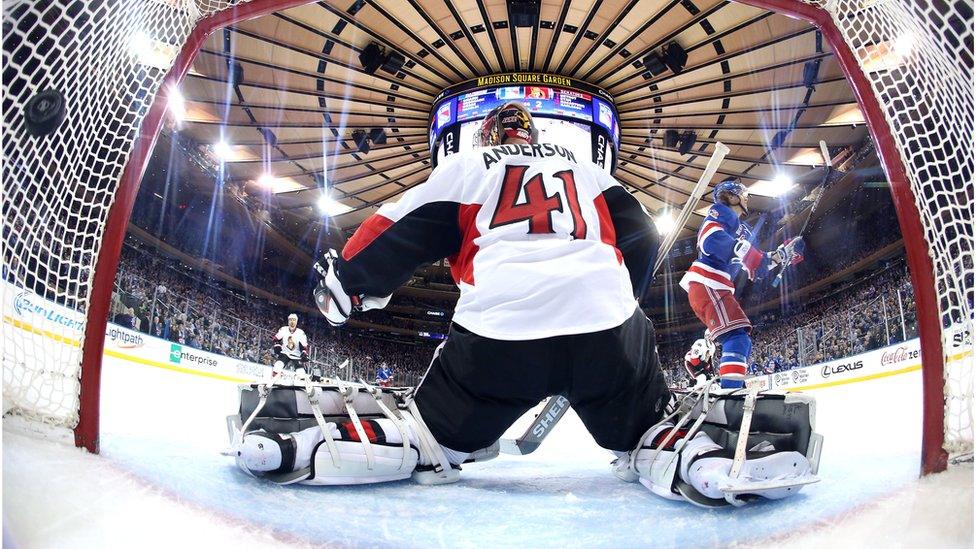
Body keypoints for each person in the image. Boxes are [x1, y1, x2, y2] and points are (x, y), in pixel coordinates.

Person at [234, 103, 820, 506]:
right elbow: (642, 235)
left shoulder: (465, 167)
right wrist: (616, 301)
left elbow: (395, 230)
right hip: (606, 334)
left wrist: (351, 286)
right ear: (533, 134)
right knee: (644, 431)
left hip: (497, 341)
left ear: (489, 136)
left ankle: (310, 443)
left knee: (429, 440)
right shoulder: (589, 171)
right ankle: (702, 458)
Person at [678, 178, 803, 388]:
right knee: (737, 338)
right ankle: (731, 391)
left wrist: (782, 256)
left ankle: (730, 388)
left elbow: (757, 265)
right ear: (732, 196)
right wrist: (746, 253)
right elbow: (709, 239)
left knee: (739, 337)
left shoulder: (743, 229)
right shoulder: (720, 213)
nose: (747, 197)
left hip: (712, 287)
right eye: (743, 193)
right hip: (708, 283)